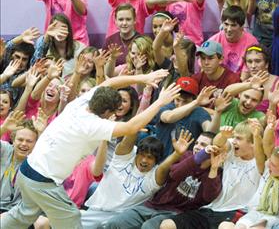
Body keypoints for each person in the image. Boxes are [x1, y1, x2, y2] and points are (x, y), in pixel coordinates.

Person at [0, 70, 180, 228]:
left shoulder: (81, 102)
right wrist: (160, 102)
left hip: (26, 170)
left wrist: (144, 77)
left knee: (23, 214)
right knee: (71, 217)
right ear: (108, 112)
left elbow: (109, 83)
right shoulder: (92, 125)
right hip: (42, 181)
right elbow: (132, 127)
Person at [103, 132, 224, 229]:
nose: (198, 146)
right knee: (114, 223)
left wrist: (213, 168)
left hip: (176, 214)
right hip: (152, 206)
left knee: (149, 227)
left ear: (214, 149)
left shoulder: (215, 171)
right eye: (197, 143)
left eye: (203, 145)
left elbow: (208, 197)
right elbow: (174, 174)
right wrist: (198, 158)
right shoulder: (186, 157)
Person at [80, 129, 194, 228]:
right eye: (142, 155)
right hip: (96, 209)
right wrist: (134, 129)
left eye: (149, 158)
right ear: (137, 153)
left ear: (156, 161)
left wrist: (177, 154)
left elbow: (164, 168)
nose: (144, 160)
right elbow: (126, 143)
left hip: (119, 219)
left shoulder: (153, 177)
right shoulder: (123, 159)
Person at [159, 121, 262, 229]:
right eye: (234, 137)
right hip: (211, 209)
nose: (234, 141)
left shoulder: (261, 162)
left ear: (253, 142)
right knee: (167, 225)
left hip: (236, 211)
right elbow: (218, 143)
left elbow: (268, 146)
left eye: (239, 138)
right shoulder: (231, 152)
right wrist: (223, 135)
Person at [148, 77, 217, 158]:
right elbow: (169, 117)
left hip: (184, 164)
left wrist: (218, 112)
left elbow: (210, 132)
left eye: (186, 101)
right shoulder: (166, 107)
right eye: (177, 100)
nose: (180, 104)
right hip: (158, 159)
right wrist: (196, 102)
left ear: (193, 99)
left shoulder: (199, 112)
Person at [0, 119, 39, 213]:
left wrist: (41, 132)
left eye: (29, 141)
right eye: (20, 139)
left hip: (21, 212)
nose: (24, 144)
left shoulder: (37, 160)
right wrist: (3, 129)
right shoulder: (5, 150)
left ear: (36, 144)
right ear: (13, 140)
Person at [209, 5, 258, 73]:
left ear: (242, 26)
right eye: (226, 24)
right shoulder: (214, 40)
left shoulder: (252, 42)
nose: (229, 29)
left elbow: (247, 73)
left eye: (233, 25)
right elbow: (203, 64)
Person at [241, 44, 279, 113]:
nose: (253, 66)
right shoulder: (244, 85)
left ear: (267, 64)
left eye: (257, 61)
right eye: (249, 62)